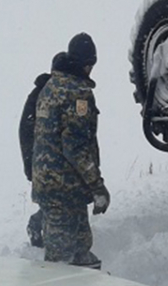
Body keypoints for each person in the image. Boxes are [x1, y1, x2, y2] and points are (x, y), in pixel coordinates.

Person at [31, 33, 110, 269]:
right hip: (63, 186)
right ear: (86, 64)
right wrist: (97, 187)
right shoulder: (77, 94)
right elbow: (76, 147)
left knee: (81, 248)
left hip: (51, 183)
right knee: (61, 262)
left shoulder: (51, 86)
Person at [19, 52, 66, 248]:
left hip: (45, 160)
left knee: (54, 203)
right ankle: (37, 227)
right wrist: (31, 165)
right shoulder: (43, 94)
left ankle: (41, 228)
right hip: (42, 161)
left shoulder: (46, 92)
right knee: (53, 204)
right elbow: (26, 130)